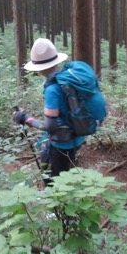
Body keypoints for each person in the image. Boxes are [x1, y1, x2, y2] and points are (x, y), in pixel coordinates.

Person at [12, 38, 86, 184]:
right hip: (77, 135)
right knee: (47, 158)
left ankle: (56, 204)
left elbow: (50, 126)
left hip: (63, 142)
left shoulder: (52, 89)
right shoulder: (68, 78)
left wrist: (26, 118)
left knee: (55, 179)